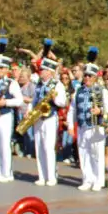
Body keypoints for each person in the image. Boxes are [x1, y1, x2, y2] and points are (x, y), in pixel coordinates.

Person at [68, 52, 108, 191]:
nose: (87, 78)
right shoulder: (78, 91)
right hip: (83, 127)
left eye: (90, 76)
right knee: (83, 153)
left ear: (95, 77)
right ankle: (87, 179)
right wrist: (71, 126)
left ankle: (98, 180)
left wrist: (100, 112)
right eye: (86, 75)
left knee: (97, 154)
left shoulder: (102, 91)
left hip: (96, 126)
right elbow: (72, 110)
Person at [0, 56, 24, 182]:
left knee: (4, 145)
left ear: (7, 69)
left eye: (1, 68)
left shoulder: (12, 83)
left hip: (5, 115)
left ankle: (7, 173)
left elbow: (19, 100)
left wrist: (5, 102)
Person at [31, 53, 67, 186]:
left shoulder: (57, 85)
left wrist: (54, 99)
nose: (41, 72)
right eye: (41, 70)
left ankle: (51, 176)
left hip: (50, 118)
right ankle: (42, 176)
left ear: (50, 72)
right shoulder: (38, 85)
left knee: (48, 147)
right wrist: (30, 111)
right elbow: (34, 100)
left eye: (43, 70)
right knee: (39, 147)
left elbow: (63, 102)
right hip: (38, 118)